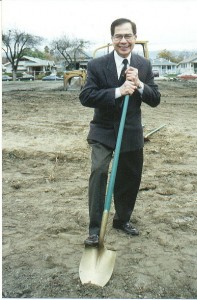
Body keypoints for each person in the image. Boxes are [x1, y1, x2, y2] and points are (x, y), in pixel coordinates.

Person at [79, 18, 161, 246]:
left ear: (135, 38)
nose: (123, 41)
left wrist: (140, 85)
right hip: (103, 130)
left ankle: (122, 219)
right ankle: (95, 230)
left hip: (131, 130)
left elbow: (155, 99)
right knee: (99, 171)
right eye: (118, 36)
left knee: (129, 176)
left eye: (128, 36)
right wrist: (118, 91)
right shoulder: (96, 65)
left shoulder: (143, 65)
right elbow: (86, 97)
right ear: (112, 38)